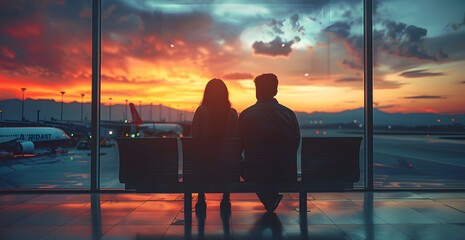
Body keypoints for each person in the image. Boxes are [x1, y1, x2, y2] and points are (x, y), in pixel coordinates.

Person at [238, 73, 300, 212]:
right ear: (275, 91)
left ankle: (268, 198)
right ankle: (269, 198)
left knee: (237, 162)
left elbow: (238, 148)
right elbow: (295, 143)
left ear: (257, 91)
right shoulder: (289, 114)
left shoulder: (247, 115)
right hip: (284, 171)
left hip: (256, 172)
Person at [192, 78, 239, 212]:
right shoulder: (232, 113)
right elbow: (236, 141)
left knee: (201, 156)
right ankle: (225, 196)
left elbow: (195, 138)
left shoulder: (201, 112)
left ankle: (201, 196)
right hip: (228, 171)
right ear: (226, 94)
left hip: (204, 169)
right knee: (229, 157)